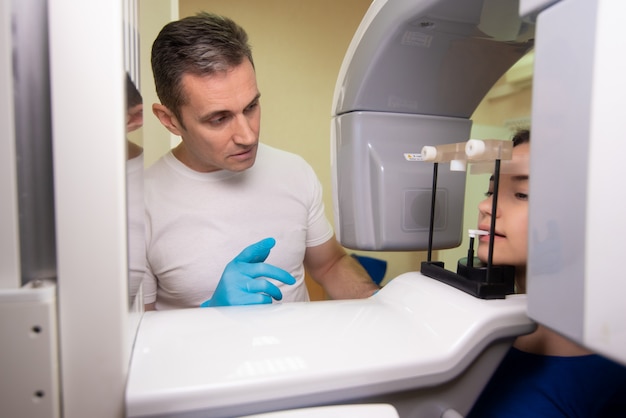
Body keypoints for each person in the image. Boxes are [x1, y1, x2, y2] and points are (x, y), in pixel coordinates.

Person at [143, 12, 379, 310]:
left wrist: (378, 305)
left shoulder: (295, 172)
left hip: (299, 355)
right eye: (219, 119)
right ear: (170, 120)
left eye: (251, 106)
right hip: (205, 358)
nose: (247, 135)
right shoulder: (139, 207)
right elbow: (139, 334)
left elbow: (329, 264)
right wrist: (211, 314)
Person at [467, 130, 626, 417]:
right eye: (490, 191)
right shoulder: (480, 330)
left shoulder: (609, 370)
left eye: (522, 194)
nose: (485, 206)